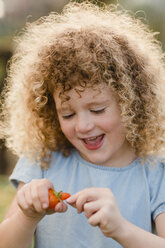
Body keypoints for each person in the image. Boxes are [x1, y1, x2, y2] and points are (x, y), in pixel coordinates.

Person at [0, 1, 165, 247]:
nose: (83, 126)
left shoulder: (153, 170)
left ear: (132, 104)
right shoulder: (43, 160)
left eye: (97, 109)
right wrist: (27, 215)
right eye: (68, 115)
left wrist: (121, 229)